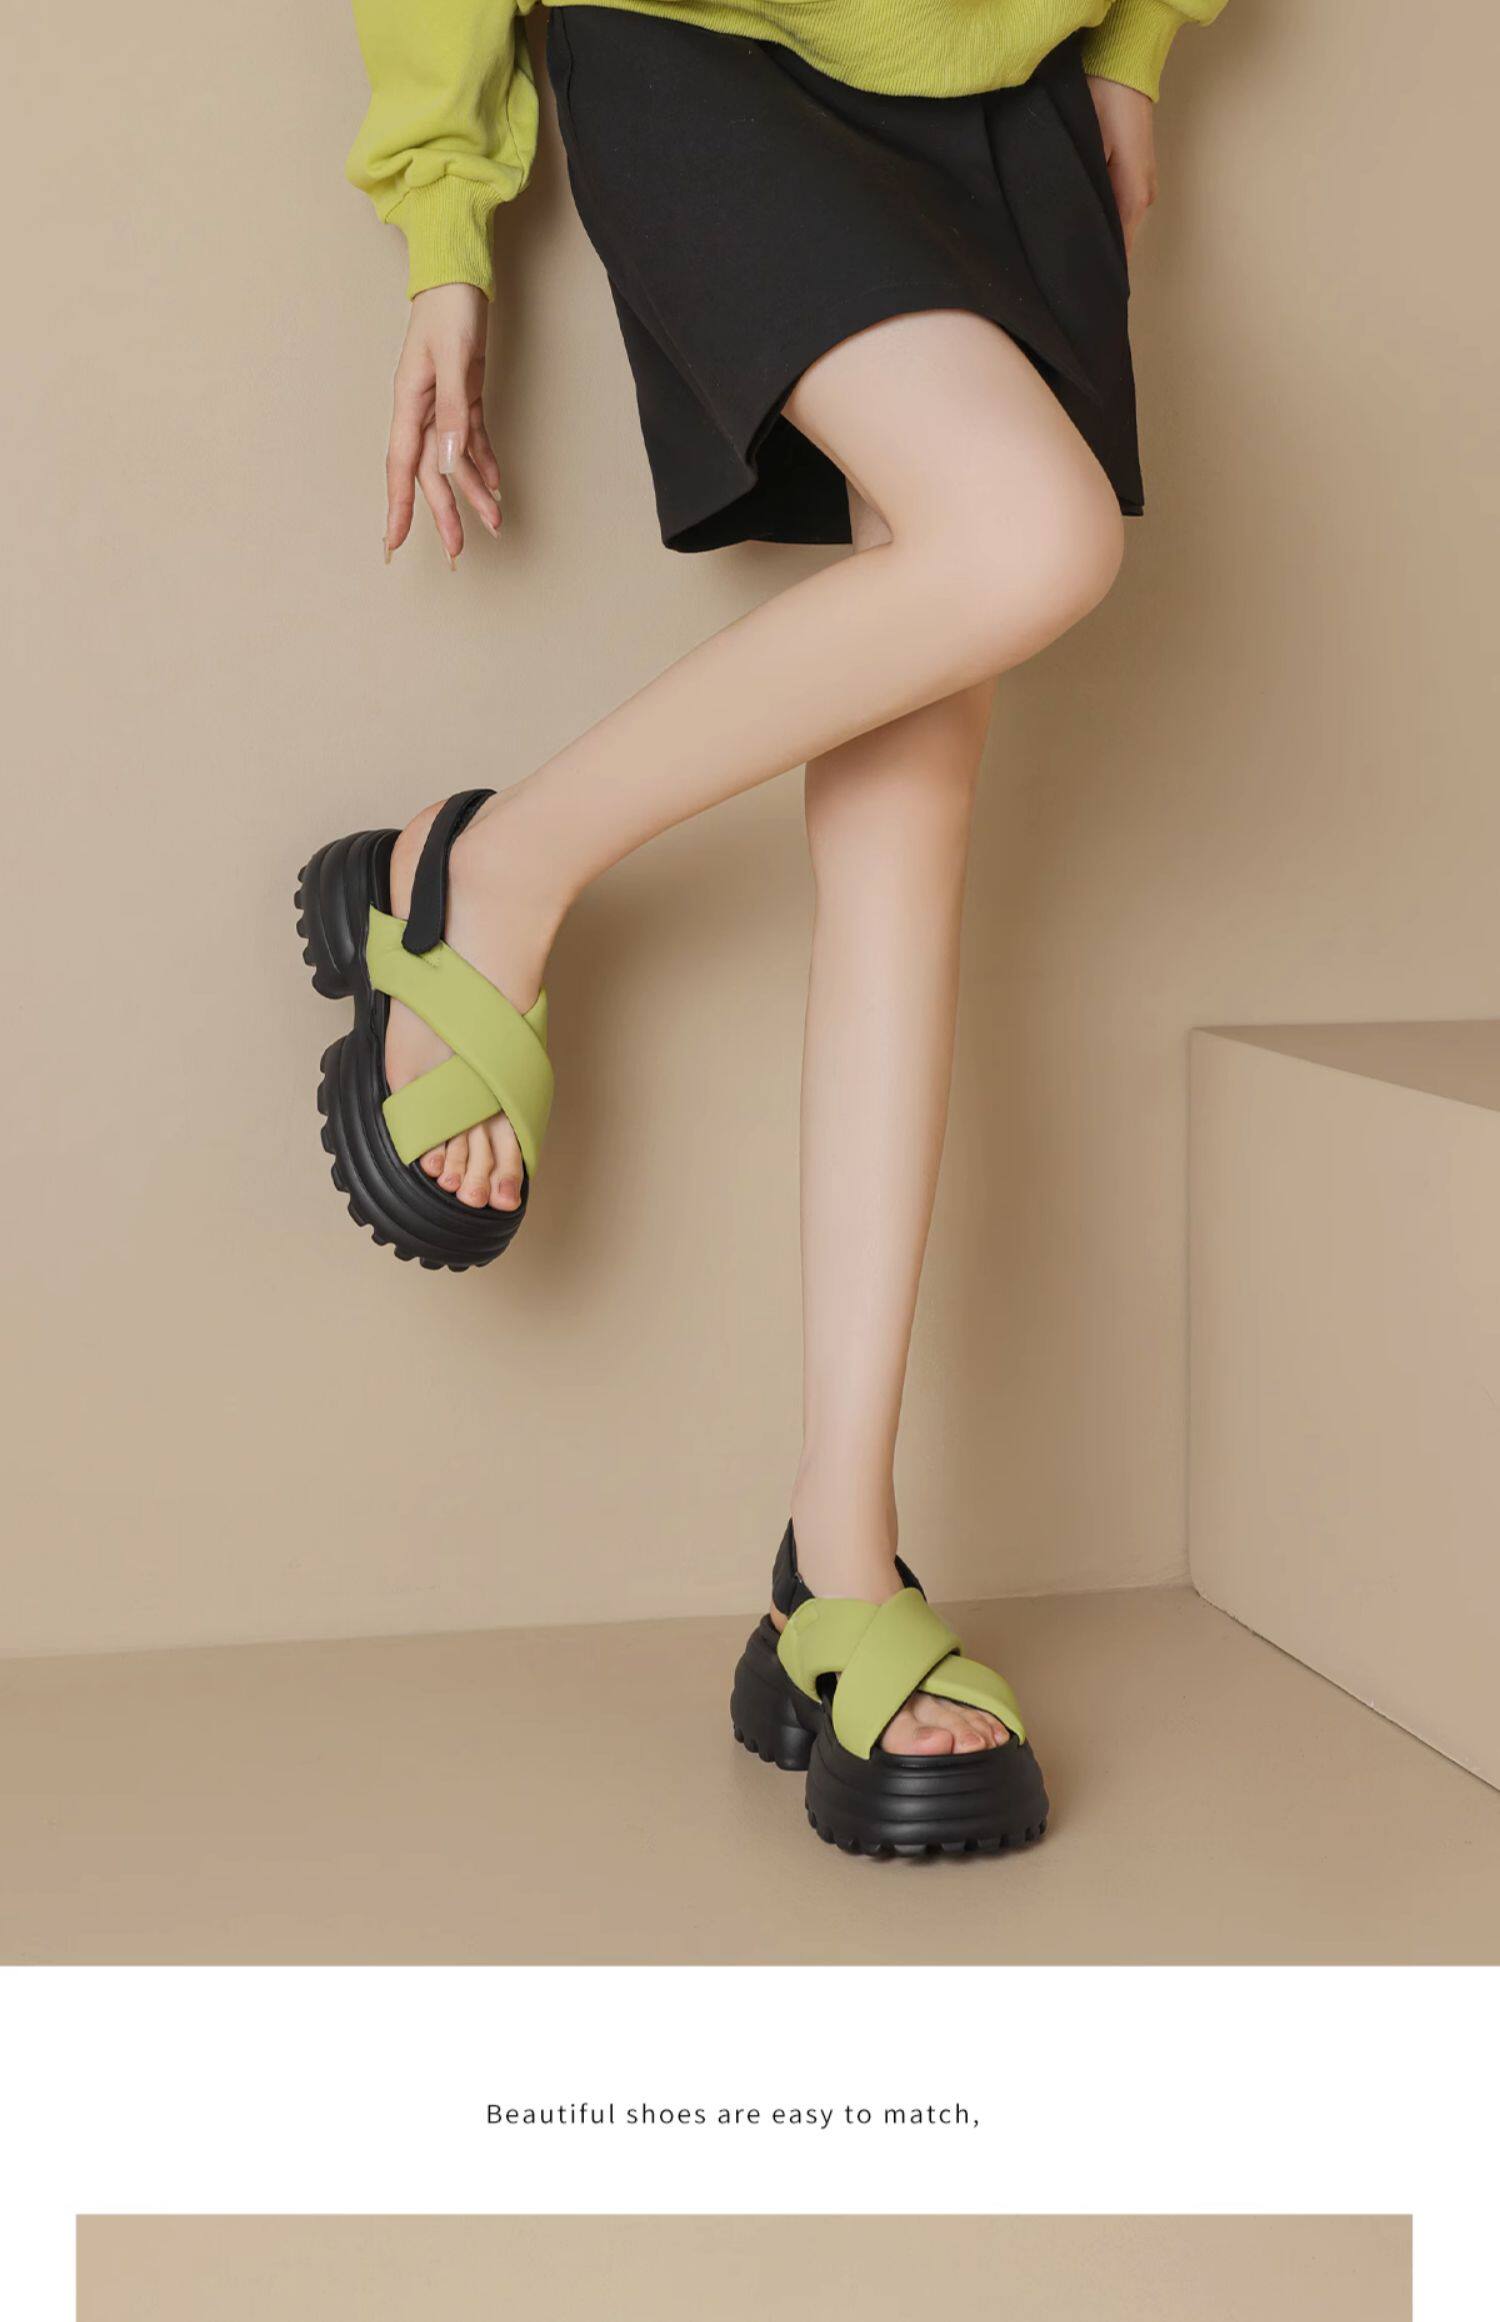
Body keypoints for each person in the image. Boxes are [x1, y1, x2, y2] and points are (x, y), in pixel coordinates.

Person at [298, 0, 1224, 1855]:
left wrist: (1134, 43)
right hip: (709, 42)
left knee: (915, 807)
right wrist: (443, 215)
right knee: (1027, 537)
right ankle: (498, 871)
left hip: (1005, 84)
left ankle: (838, 1558)